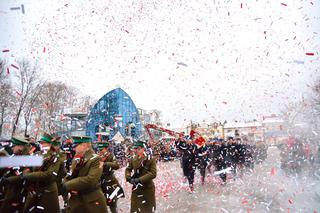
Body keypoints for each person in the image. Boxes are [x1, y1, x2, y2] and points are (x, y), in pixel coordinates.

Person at [63, 136, 107, 213]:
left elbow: (91, 179)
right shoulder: (76, 159)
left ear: (85, 145)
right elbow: (69, 175)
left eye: (76, 146)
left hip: (91, 201)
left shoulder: (96, 159)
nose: (74, 148)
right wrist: (67, 185)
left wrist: (68, 185)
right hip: (76, 201)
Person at [22, 132, 61, 213]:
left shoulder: (54, 156)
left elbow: (49, 174)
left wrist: (29, 176)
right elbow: (27, 167)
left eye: (43, 143)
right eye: (40, 143)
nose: (41, 145)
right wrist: (26, 174)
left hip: (48, 190)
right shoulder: (37, 154)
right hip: (34, 189)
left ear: (49, 144)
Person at [0, 136, 31, 213]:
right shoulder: (14, 156)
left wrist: (8, 180)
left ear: (20, 147)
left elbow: (24, 177)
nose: (12, 148)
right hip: (8, 190)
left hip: (17, 193)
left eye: (14, 146)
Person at [125, 140, 157, 213]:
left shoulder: (150, 159)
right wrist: (128, 176)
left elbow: (153, 173)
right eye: (135, 149)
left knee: (147, 209)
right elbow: (128, 169)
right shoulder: (133, 159)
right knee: (135, 209)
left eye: (138, 149)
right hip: (136, 189)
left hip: (147, 188)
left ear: (143, 149)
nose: (136, 151)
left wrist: (139, 180)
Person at [97, 141, 124, 213]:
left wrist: (105, 163)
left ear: (106, 149)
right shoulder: (97, 157)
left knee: (112, 202)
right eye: (99, 149)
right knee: (99, 202)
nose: (100, 151)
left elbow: (116, 166)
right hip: (100, 182)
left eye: (101, 149)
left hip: (110, 181)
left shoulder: (111, 156)